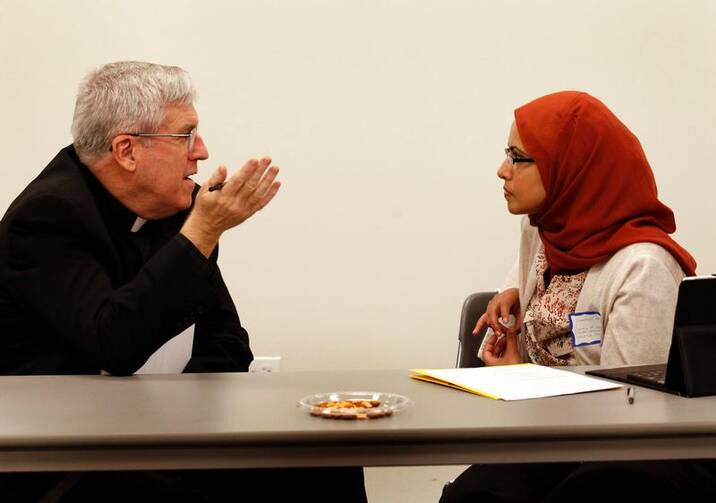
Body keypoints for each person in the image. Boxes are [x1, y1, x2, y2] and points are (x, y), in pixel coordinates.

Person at [0, 61, 366, 502]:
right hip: (65, 458)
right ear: (127, 150)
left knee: (327, 463)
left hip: (161, 436)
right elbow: (112, 342)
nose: (203, 151)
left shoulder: (179, 207)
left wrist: (189, 427)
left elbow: (227, 341)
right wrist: (202, 233)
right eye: (186, 135)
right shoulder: (45, 219)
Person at [440, 91, 716, 502]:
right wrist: (510, 295)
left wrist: (523, 381)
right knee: (474, 498)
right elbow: (527, 284)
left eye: (518, 158)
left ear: (571, 167)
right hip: (555, 436)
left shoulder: (643, 267)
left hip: (635, 450)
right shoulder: (545, 230)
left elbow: (630, 409)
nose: (502, 170)